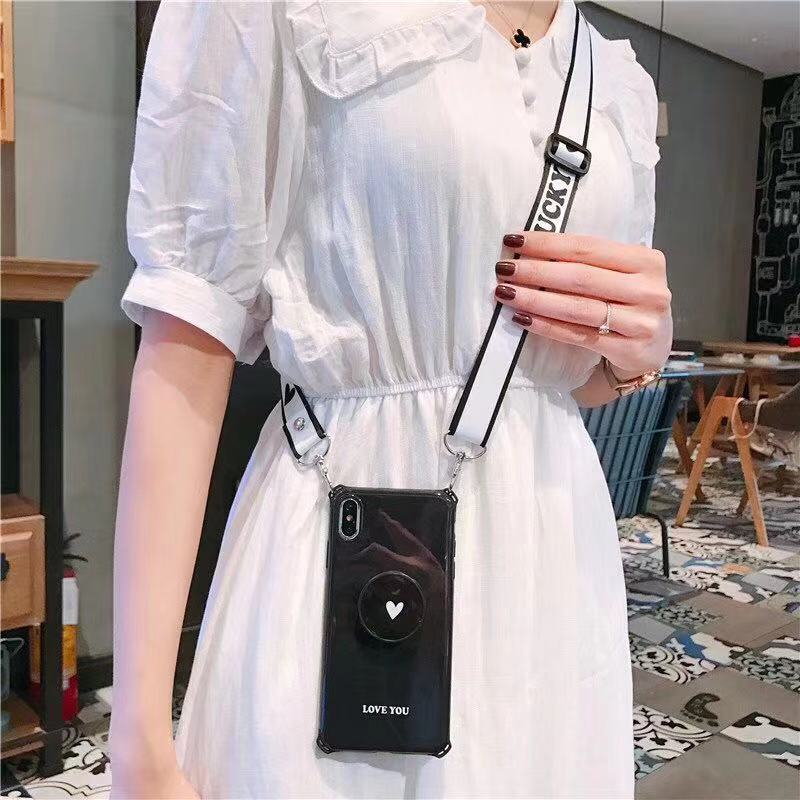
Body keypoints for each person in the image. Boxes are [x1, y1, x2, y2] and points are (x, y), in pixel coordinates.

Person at [109, 1, 672, 797]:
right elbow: (187, 340)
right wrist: (136, 743)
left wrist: (637, 356)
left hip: (552, 565)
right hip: (343, 542)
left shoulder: (614, 79)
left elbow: (566, 381)